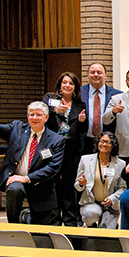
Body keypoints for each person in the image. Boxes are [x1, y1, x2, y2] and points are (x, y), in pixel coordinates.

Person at [0, 96, 65, 225]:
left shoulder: (56, 140)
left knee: (42, 227)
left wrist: (27, 178)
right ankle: (13, 226)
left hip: (41, 184)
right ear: (27, 116)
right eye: (31, 114)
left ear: (46, 118)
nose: (35, 118)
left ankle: (26, 217)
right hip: (16, 180)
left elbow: (53, 168)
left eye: (39, 115)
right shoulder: (17, 128)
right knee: (14, 189)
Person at [41, 72, 85, 227]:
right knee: (52, 184)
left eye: (71, 83)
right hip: (52, 150)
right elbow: (43, 119)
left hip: (71, 151)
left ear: (75, 88)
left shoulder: (80, 105)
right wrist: (56, 112)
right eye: (64, 82)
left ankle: (70, 220)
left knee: (69, 186)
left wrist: (81, 121)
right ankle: (53, 219)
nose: (67, 85)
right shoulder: (50, 100)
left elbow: (82, 130)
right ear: (60, 85)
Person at [75, 132, 127, 228]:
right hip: (91, 203)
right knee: (92, 214)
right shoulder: (85, 160)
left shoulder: (121, 164)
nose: (104, 144)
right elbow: (77, 186)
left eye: (107, 142)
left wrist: (111, 199)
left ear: (113, 145)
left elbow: (123, 188)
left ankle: (110, 223)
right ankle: (91, 225)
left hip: (111, 206)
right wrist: (81, 184)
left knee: (105, 231)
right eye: (102, 141)